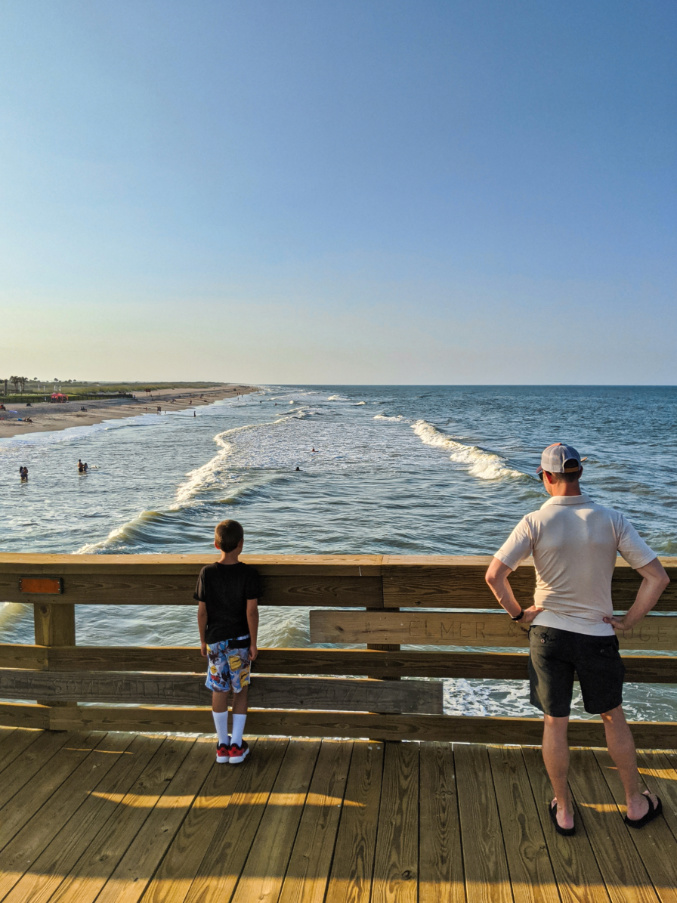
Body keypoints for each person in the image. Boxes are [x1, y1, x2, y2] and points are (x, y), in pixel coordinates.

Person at [486, 442, 669, 835]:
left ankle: (565, 810)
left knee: (555, 723)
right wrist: (629, 620)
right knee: (612, 717)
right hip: (597, 636)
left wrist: (519, 614)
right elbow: (658, 577)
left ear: (547, 478)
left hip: (548, 634)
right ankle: (636, 804)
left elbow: (494, 576)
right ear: (580, 473)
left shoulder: (534, 521)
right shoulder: (611, 519)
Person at [194, 519, 260, 765]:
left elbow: (202, 612)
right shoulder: (249, 574)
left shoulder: (207, 573)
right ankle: (236, 745)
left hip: (215, 642)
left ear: (215, 544)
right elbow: (251, 612)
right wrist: (253, 642)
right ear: (241, 545)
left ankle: (222, 745)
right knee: (240, 690)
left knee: (219, 689)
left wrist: (203, 640)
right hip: (240, 641)